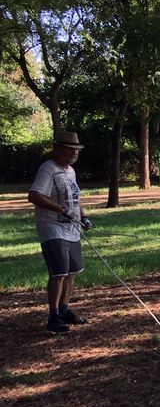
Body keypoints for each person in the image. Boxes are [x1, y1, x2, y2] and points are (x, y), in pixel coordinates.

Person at [27, 131, 92, 333]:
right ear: (58, 149)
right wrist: (58, 209)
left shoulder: (70, 172)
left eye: (77, 150)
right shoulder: (48, 169)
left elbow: (75, 199)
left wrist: (83, 216)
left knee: (72, 271)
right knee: (59, 272)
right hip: (52, 227)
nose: (75, 153)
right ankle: (53, 315)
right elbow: (34, 195)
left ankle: (65, 309)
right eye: (71, 149)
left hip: (71, 228)